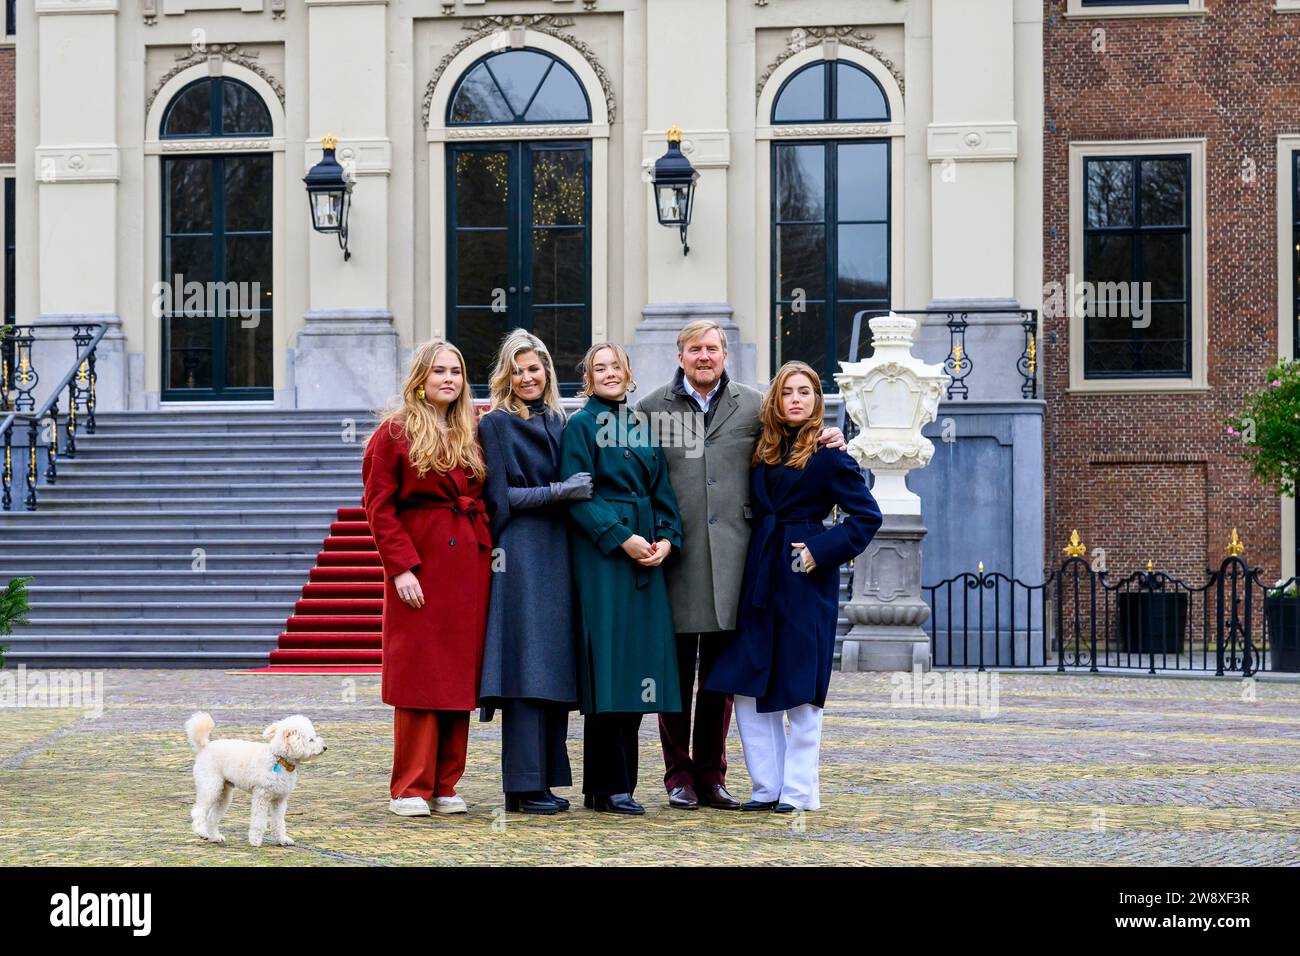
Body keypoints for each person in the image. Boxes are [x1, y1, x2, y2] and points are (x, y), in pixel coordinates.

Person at [636, 320, 846, 810]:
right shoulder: (650, 409)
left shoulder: (754, 405)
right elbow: (638, 478)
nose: (704, 356)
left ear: (725, 353)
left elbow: (795, 438)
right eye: (694, 349)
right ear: (681, 355)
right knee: (674, 676)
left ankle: (712, 775)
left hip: (741, 561)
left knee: (723, 678)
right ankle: (677, 775)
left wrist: (830, 435)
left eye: (712, 348)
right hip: (676, 558)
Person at [704, 361, 881, 813]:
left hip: (805, 578)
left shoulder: (830, 456)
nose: (796, 399)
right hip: (759, 571)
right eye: (788, 393)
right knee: (746, 680)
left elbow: (867, 516)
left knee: (800, 683)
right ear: (776, 401)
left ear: (817, 401)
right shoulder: (760, 452)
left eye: (805, 392)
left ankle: (799, 792)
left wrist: (820, 550)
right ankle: (766, 786)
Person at [362, 339, 493, 818]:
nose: (448, 379)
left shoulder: (471, 431)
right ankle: (410, 788)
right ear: (420, 377)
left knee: (458, 680)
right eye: (439, 371)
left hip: (470, 568)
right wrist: (400, 568)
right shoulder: (393, 433)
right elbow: (379, 507)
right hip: (421, 569)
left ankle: (445, 782)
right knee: (420, 679)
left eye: (456, 371)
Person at [560, 342, 683, 815]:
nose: (609, 373)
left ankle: (618, 786)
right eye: (599, 368)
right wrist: (619, 537)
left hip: (648, 555)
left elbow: (663, 493)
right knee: (608, 665)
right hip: (604, 557)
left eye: (616, 366)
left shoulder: (641, 425)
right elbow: (576, 495)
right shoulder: (580, 425)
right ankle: (606, 786)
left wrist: (667, 539)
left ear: (629, 373)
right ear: (587, 379)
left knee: (637, 667)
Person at [477, 329, 591, 814]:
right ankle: (521, 785)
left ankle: (544, 779)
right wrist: (559, 492)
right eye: (517, 369)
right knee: (525, 668)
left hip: (560, 551)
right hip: (520, 556)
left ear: (547, 371)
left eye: (535, 368)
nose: (527, 377)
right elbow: (498, 499)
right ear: (507, 374)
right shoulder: (497, 424)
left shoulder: (562, 420)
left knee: (553, 669)